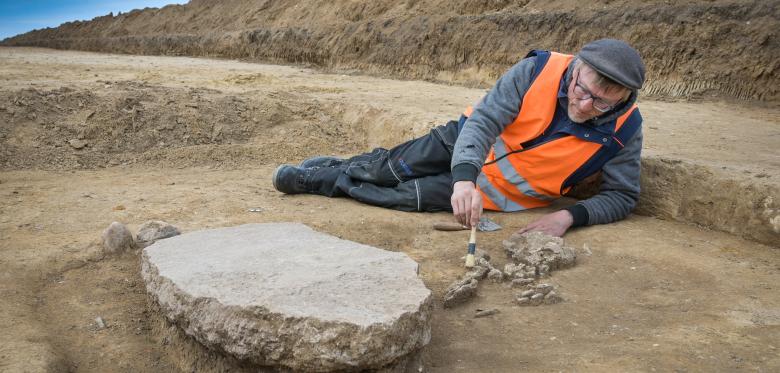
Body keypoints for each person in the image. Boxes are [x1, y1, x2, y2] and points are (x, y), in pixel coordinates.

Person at [271, 39, 645, 237]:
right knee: (384, 171)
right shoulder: (537, 69)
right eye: (582, 90)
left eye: (601, 104)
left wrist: (568, 217)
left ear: (624, 99)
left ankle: (318, 180)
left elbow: (622, 195)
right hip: (460, 141)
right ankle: (332, 169)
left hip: (496, 193)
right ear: (576, 69)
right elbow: (484, 122)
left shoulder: (625, 131)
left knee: (395, 196)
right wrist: (464, 177)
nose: (584, 103)